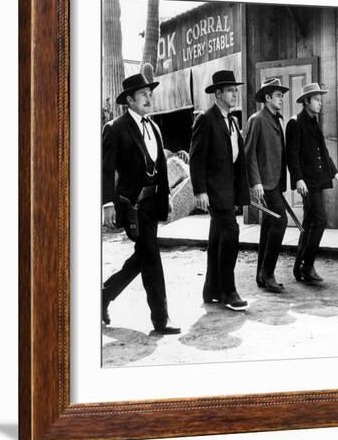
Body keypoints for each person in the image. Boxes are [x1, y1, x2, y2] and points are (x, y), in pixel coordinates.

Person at [102, 73, 180, 335]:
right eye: (143, 94)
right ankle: (161, 319)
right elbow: (105, 170)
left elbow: (161, 169)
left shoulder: (154, 127)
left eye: (150, 93)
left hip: (153, 203)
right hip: (132, 206)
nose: (149, 98)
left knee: (144, 257)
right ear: (130, 101)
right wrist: (107, 205)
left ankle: (103, 295)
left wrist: (167, 198)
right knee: (152, 257)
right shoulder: (116, 128)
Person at [189, 70, 250, 311]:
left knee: (217, 240)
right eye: (231, 90)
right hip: (215, 192)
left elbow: (235, 159)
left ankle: (211, 289)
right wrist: (200, 191)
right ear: (218, 93)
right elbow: (196, 158)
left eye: (236, 90)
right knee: (231, 235)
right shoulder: (206, 119)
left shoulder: (232, 121)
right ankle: (228, 291)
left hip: (229, 191)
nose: (235, 94)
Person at [286, 82, 338, 283]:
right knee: (319, 219)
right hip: (307, 182)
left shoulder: (313, 122)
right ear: (307, 101)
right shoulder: (295, 123)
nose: (320, 103)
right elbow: (292, 156)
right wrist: (298, 179)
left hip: (318, 180)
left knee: (310, 222)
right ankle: (307, 265)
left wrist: (334, 172)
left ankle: (299, 267)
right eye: (316, 100)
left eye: (321, 100)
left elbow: (323, 151)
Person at [244, 78, 290, 293]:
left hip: (276, 182)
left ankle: (261, 275)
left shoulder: (276, 119)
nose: (281, 99)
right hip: (265, 184)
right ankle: (268, 273)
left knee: (269, 226)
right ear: (267, 97)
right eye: (278, 95)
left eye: (282, 95)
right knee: (280, 221)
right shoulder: (257, 119)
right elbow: (249, 152)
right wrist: (255, 182)